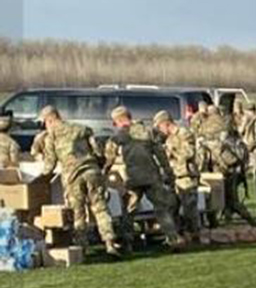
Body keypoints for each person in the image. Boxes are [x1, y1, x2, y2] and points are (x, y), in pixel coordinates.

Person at [38, 105, 128, 257]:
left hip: (72, 176)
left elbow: (50, 163)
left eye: (44, 122)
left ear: (50, 119)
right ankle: (110, 243)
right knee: (100, 208)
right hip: (92, 171)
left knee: (78, 212)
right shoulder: (82, 129)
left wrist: (41, 177)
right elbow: (98, 151)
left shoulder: (51, 135)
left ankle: (81, 247)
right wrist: (99, 165)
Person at [106, 106, 182, 250]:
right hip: (152, 176)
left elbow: (109, 157)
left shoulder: (120, 136)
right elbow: (161, 155)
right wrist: (168, 173)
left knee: (129, 210)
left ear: (119, 120)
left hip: (133, 178)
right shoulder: (147, 132)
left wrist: (104, 171)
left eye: (115, 123)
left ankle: (127, 242)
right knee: (161, 209)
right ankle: (173, 238)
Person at [153, 110, 205, 246]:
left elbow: (189, 152)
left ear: (166, 124)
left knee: (189, 209)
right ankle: (176, 236)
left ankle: (194, 235)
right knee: (171, 207)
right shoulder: (169, 139)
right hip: (174, 177)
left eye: (160, 127)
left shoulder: (184, 134)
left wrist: (172, 152)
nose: (160, 130)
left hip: (186, 176)